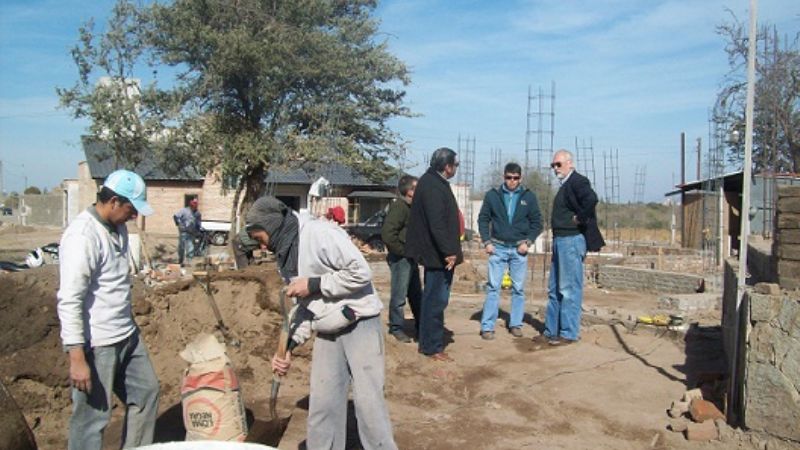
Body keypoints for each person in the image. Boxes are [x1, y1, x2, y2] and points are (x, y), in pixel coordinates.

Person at [246, 196, 397, 449]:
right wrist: (291, 345)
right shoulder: (285, 253)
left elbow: (361, 272)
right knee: (323, 405)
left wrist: (314, 284)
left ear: (272, 226)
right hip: (327, 328)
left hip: (359, 322)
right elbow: (305, 306)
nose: (261, 247)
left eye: (260, 239)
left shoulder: (319, 234)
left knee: (369, 405)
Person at [56, 169, 160, 450]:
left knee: (147, 392)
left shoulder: (118, 227)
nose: (134, 215)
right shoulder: (82, 236)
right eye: (131, 208)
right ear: (113, 201)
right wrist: (77, 357)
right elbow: (69, 299)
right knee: (92, 420)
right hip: (98, 344)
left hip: (127, 335)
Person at [405, 147, 463, 361]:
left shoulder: (433, 183)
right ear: (447, 166)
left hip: (438, 254)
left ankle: (430, 342)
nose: (456, 168)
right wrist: (448, 251)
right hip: (437, 256)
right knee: (435, 301)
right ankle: (431, 346)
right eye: (455, 165)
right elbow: (436, 224)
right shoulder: (432, 186)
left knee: (435, 299)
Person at [540, 149, 603, 346]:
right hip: (561, 240)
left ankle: (568, 332)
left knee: (568, 289)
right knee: (554, 289)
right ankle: (552, 331)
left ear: (570, 164)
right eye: (553, 165)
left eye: (558, 164)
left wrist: (581, 218)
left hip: (571, 240)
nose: (555, 169)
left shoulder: (577, 181)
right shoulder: (565, 185)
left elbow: (591, 199)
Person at [477, 162, 542, 340]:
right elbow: (483, 219)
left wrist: (528, 242)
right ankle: (487, 326)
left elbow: (537, 223)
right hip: (497, 247)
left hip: (519, 250)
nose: (512, 181)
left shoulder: (529, 197)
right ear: (504, 177)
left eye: (515, 178)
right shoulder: (493, 196)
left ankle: (515, 324)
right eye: (508, 177)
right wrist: (487, 241)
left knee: (519, 289)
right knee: (493, 287)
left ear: (520, 178)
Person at [381, 174, 421, 343]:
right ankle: (396, 327)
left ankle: (421, 325)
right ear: (409, 191)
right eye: (416, 188)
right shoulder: (399, 207)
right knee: (399, 295)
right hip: (401, 259)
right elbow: (388, 234)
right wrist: (403, 251)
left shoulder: (412, 208)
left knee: (416, 294)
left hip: (410, 257)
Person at [174, 197, 202, 265]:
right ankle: (180, 260)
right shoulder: (184, 211)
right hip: (184, 232)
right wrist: (179, 224)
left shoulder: (197, 214)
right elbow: (175, 216)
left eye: (195, 206)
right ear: (190, 205)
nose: (194, 208)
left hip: (192, 233)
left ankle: (189, 261)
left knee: (191, 247)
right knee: (182, 247)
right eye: (193, 206)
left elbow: (198, 223)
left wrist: (198, 231)